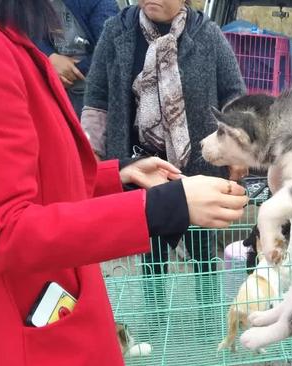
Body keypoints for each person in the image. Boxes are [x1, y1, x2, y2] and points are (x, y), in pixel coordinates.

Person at [0, 1, 248, 366]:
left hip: (183, 179)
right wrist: (156, 204)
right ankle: (155, 327)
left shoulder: (206, 35)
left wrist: (122, 177)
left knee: (201, 260)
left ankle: (211, 326)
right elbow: (8, 226)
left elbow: (48, 176)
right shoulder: (30, 49)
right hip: (43, 347)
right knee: (153, 263)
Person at [82, 0, 248, 319]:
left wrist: (237, 145)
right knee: (153, 250)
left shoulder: (208, 35)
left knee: (202, 248)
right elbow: (97, 98)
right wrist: (94, 151)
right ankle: (157, 315)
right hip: (142, 168)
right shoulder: (116, 31)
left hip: (197, 169)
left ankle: (206, 313)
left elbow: (234, 95)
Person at [35, 0, 119, 117]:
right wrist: (49, 57)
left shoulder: (98, 4)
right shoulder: (30, 6)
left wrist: (65, 70)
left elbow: (112, 52)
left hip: (101, 95)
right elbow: (29, 35)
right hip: (58, 97)